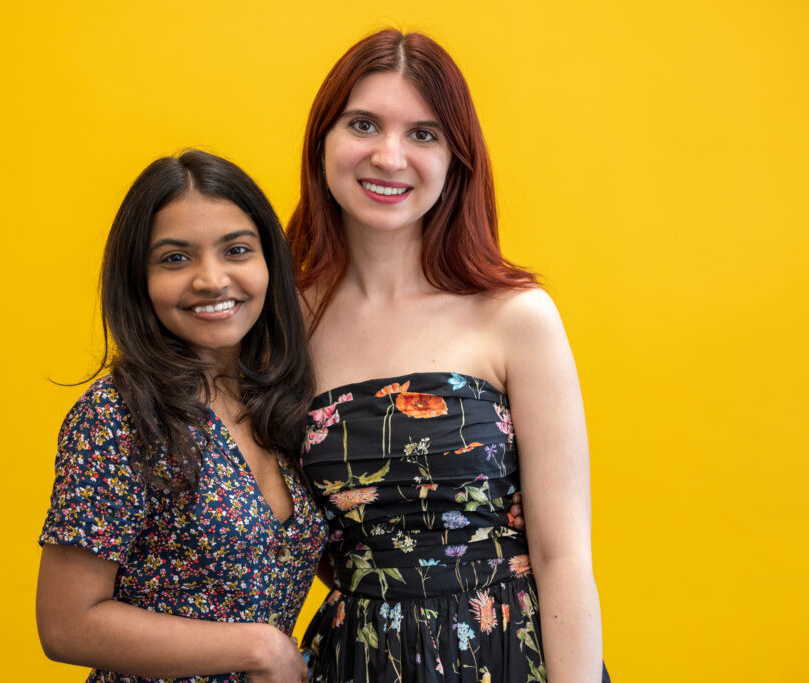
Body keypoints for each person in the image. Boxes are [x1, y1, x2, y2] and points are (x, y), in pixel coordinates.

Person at [288, 30, 608, 681]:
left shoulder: (516, 314)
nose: (388, 155)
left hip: (505, 655)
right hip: (358, 661)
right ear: (324, 138)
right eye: (364, 124)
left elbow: (563, 553)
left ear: (456, 158)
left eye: (423, 134)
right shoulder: (281, 326)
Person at [35, 150, 327, 683]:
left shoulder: (282, 405)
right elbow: (66, 623)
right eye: (175, 258)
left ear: (269, 263)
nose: (211, 280)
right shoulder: (117, 417)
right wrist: (258, 647)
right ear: (138, 278)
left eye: (236, 250)